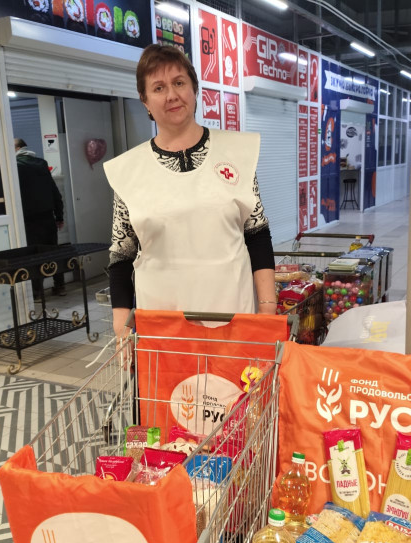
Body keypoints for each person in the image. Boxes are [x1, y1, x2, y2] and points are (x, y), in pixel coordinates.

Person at [103, 44, 277, 340]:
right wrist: (122, 327)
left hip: (233, 315)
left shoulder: (237, 153)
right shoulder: (128, 171)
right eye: (158, 88)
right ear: (145, 101)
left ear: (194, 89)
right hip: (163, 328)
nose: (171, 95)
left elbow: (257, 235)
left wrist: (267, 310)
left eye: (179, 83)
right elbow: (122, 254)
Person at [14, 138, 66, 300]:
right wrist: (59, 216)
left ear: (16, 148)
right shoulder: (42, 163)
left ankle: (37, 292)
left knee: (34, 255)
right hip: (48, 217)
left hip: (29, 219)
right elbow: (54, 192)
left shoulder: (16, 166)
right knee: (52, 252)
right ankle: (60, 286)